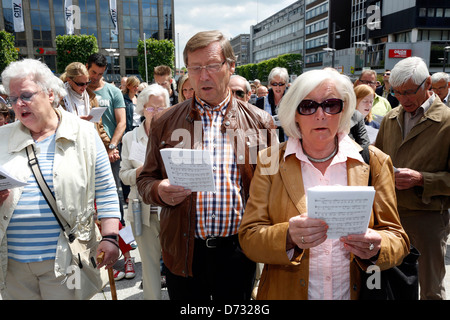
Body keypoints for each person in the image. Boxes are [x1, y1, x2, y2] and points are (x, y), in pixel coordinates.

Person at [238, 68, 410, 300]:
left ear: (344, 111)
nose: (321, 115)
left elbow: (397, 238)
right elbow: (249, 238)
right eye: (308, 106)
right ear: (294, 113)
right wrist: (287, 236)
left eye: (331, 105)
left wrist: (377, 245)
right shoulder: (269, 161)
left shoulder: (376, 162)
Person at [136, 30, 277, 300]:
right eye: (195, 68)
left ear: (231, 66)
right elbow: (145, 180)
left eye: (212, 66)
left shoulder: (261, 122)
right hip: (184, 250)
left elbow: (271, 185)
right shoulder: (166, 121)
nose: (203, 76)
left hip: (238, 250)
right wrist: (159, 191)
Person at [0, 59, 121, 300]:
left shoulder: (84, 133)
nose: (18, 104)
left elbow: (107, 189)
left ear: (50, 93)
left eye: (25, 95)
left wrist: (110, 237)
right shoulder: (2, 137)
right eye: (12, 99)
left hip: (66, 260)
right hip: (13, 265)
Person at [375, 56, 450, 300]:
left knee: (430, 290)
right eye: (396, 92)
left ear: (428, 83)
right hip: (390, 216)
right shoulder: (390, 118)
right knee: (390, 286)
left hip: (427, 218)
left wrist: (421, 179)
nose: (403, 99)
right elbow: (375, 162)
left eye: (408, 92)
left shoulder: (447, 122)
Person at [120, 84, 170, 299]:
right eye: (151, 109)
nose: (156, 113)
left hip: (171, 209)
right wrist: (141, 171)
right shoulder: (130, 138)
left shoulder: (176, 134)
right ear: (142, 109)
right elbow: (123, 175)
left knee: (176, 265)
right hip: (142, 209)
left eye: (161, 108)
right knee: (149, 267)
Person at [87, 53, 126, 223]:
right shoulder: (78, 91)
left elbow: (122, 122)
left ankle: (120, 230)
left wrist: (112, 146)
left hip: (109, 150)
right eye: (93, 72)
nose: (95, 77)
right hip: (85, 150)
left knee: (113, 188)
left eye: (100, 74)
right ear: (86, 67)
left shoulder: (113, 92)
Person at [59, 62, 110, 147]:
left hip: (90, 144)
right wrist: (75, 121)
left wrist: (109, 146)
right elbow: (54, 126)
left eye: (87, 83)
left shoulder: (91, 97)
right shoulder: (59, 99)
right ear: (69, 80)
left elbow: (99, 127)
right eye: (80, 84)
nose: (84, 87)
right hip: (69, 146)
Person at [256, 67, 289, 142]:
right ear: (270, 84)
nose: (277, 87)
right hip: (269, 145)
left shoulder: (292, 101)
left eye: (281, 84)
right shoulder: (261, 102)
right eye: (274, 84)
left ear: (286, 84)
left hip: (290, 145)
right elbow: (256, 126)